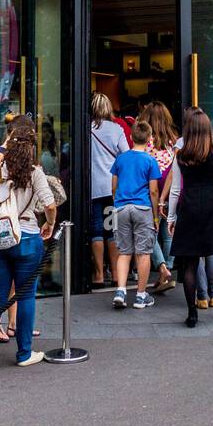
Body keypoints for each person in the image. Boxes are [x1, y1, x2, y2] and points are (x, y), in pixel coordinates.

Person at [0, 118, 55, 368]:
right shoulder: (35, 173)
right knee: (26, 294)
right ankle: (24, 353)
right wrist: (49, 223)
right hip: (28, 237)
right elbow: (50, 204)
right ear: (31, 147)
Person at [168, 109, 213, 327]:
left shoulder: (181, 153)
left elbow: (174, 189)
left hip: (189, 207)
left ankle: (192, 314)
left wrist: (171, 216)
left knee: (189, 263)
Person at [110, 118, 161, 311]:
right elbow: (154, 191)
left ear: (130, 137)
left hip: (122, 208)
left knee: (124, 252)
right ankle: (140, 296)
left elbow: (113, 185)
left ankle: (121, 291)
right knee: (143, 253)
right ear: (149, 139)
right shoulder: (150, 161)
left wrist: (117, 202)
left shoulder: (121, 159)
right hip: (142, 208)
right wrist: (156, 216)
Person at [135, 100, 178, 295]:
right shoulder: (173, 139)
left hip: (151, 187)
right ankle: (166, 270)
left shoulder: (147, 140)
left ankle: (163, 268)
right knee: (167, 230)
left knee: (150, 230)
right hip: (169, 188)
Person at [90, 93, 128, 286]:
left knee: (96, 230)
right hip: (113, 188)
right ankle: (115, 273)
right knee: (111, 229)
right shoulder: (117, 129)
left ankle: (98, 275)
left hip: (93, 187)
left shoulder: (86, 129)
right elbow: (126, 155)